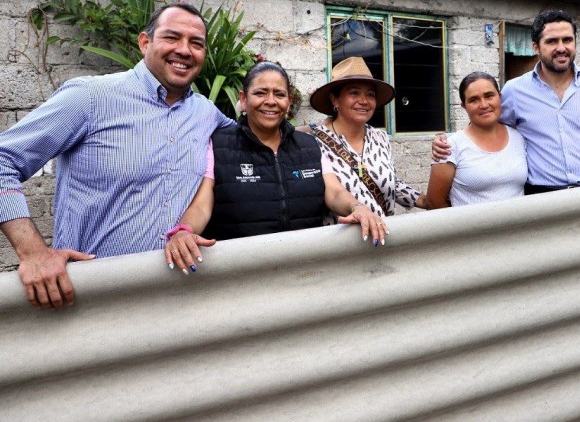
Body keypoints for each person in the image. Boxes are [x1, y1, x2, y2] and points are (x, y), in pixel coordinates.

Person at [0, 3, 234, 309]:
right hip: (89, 297)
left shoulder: (206, 113)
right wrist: (33, 253)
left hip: (173, 299)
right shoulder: (91, 97)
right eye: (172, 37)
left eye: (196, 43)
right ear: (145, 42)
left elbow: (256, 140)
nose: (184, 50)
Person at [164, 62, 387, 274]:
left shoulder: (308, 145)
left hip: (305, 268)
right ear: (243, 99)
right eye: (260, 93)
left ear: (289, 102)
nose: (270, 101)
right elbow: (202, 205)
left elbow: (334, 191)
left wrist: (358, 207)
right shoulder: (220, 143)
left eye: (279, 94)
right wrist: (184, 231)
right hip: (240, 273)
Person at [433, 10, 580, 197]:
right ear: (536, 47)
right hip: (540, 197)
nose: (561, 48)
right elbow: (489, 128)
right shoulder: (516, 91)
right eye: (552, 41)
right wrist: (450, 143)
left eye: (568, 39)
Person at [300, 57, 428, 220]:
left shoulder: (380, 138)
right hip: (342, 239)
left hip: (383, 236)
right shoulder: (313, 141)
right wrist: (357, 208)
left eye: (370, 94)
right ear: (335, 99)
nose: (364, 101)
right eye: (354, 93)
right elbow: (333, 192)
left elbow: (389, 183)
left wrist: (424, 201)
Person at [426, 72, 527, 208]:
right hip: (472, 228)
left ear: (500, 97)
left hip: (518, 227)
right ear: (464, 106)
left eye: (489, 96)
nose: (484, 105)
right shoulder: (449, 147)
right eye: (474, 100)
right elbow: (434, 201)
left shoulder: (519, 138)